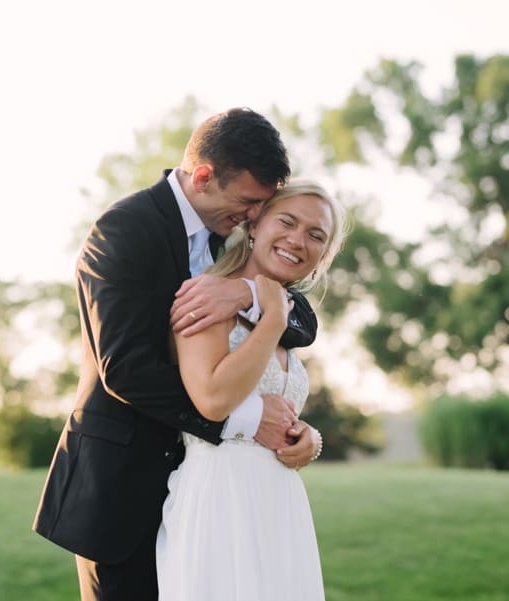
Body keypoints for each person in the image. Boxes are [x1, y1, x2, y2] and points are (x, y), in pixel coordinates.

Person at [32, 108, 324, 601]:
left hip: (209, 497)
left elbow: (303, 322)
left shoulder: (231, 233)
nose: (255, 216)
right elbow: (124, 369)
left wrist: (246, 296)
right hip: (122, 488)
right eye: (250, 202)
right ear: (204, 177)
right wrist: (248, 420)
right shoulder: (123, 231)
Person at [156, 180, 348, 601]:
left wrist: (308, 439)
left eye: (316, 235)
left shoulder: (285, 312)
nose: (298, 239)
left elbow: (275, 407)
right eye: (288, 221)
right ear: (256, 224)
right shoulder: (207, 295)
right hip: (220, 497)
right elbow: (213, 399)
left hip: (280, 503)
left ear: (321, 257)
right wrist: (273, 321)